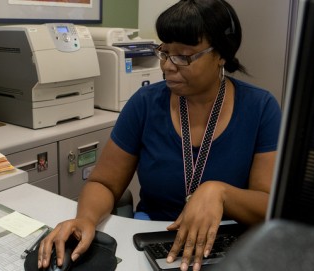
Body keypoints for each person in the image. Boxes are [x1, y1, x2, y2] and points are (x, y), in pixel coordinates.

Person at [37, 0, 282, 270]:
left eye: (184, 56)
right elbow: (105, 183)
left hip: (226, 244)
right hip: (153, 236)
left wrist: (219, 193)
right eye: (165, 52)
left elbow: (267, 204)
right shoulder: (144, 104)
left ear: (221, 54)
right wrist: (85, 219)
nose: (167, 66)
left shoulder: (260, 108)